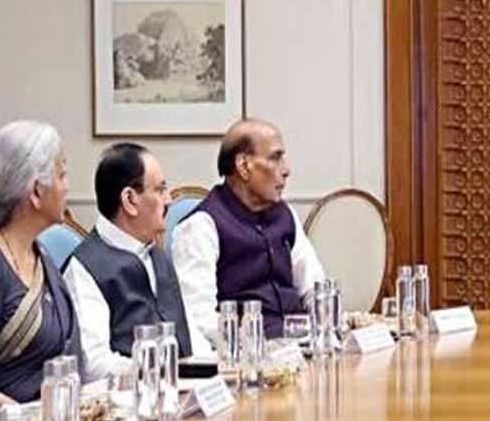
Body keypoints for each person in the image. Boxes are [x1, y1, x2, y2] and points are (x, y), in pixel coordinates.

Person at [172, 119, 325, 355]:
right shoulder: (200, 226)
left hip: (302, 349)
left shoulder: (286, 214)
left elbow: (314, 286)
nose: (286, 170)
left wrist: (324, 329)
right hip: (248, 358)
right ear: (243, 166)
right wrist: (254, 343)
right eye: (275, 158)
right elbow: (197, 317)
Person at [64, 143, 193, 382]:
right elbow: (94, 365)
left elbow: (188, 335)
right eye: (160, 190)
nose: (168, 200)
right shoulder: (84, 268)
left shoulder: (158, 254)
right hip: (126, 399)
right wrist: (158, 369)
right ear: (130, 200)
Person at [0, 121, 82, 405]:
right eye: (61, 175)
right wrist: (32, 420)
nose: (67, 187)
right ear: (37, 192)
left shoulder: (42, 256)